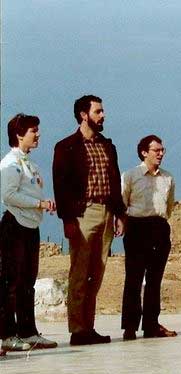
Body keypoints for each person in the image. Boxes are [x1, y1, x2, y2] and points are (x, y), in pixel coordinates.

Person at [53, 95, 126, 345]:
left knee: (98, 272)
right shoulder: (67, 147)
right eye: (98, 111)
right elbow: (60, 186)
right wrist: (67, 220)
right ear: (84, 115)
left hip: (107, 212)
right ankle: (77, 329)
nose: (103, 115)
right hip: (83, 214)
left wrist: (119, 215)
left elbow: (114, 181)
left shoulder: (107, 145)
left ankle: (89, 327)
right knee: (80, 272)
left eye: (103, 111)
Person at [0, 114, 58, 352]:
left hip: (31, 227)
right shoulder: (9, 163)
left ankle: (29, 332)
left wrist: (43, 204)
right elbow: (8, 195)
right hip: (14, 226)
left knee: (27, 282)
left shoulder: (30, 165)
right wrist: (39, 204)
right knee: (10, 283)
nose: (38, 135)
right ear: (19, 135)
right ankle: (6, 335)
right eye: (34, 130)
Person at [120, 135, 176, 340]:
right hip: (136, 228)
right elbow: (122, 202)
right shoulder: (131, 176)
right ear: (144, 152)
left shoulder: (167, 178)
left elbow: (169, 206)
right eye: (156, 150)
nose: (160, 154)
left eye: (162, 150)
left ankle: (151, 324)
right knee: (133, 278)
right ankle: (130, 326)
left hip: (159, 227)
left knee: (155, 280)